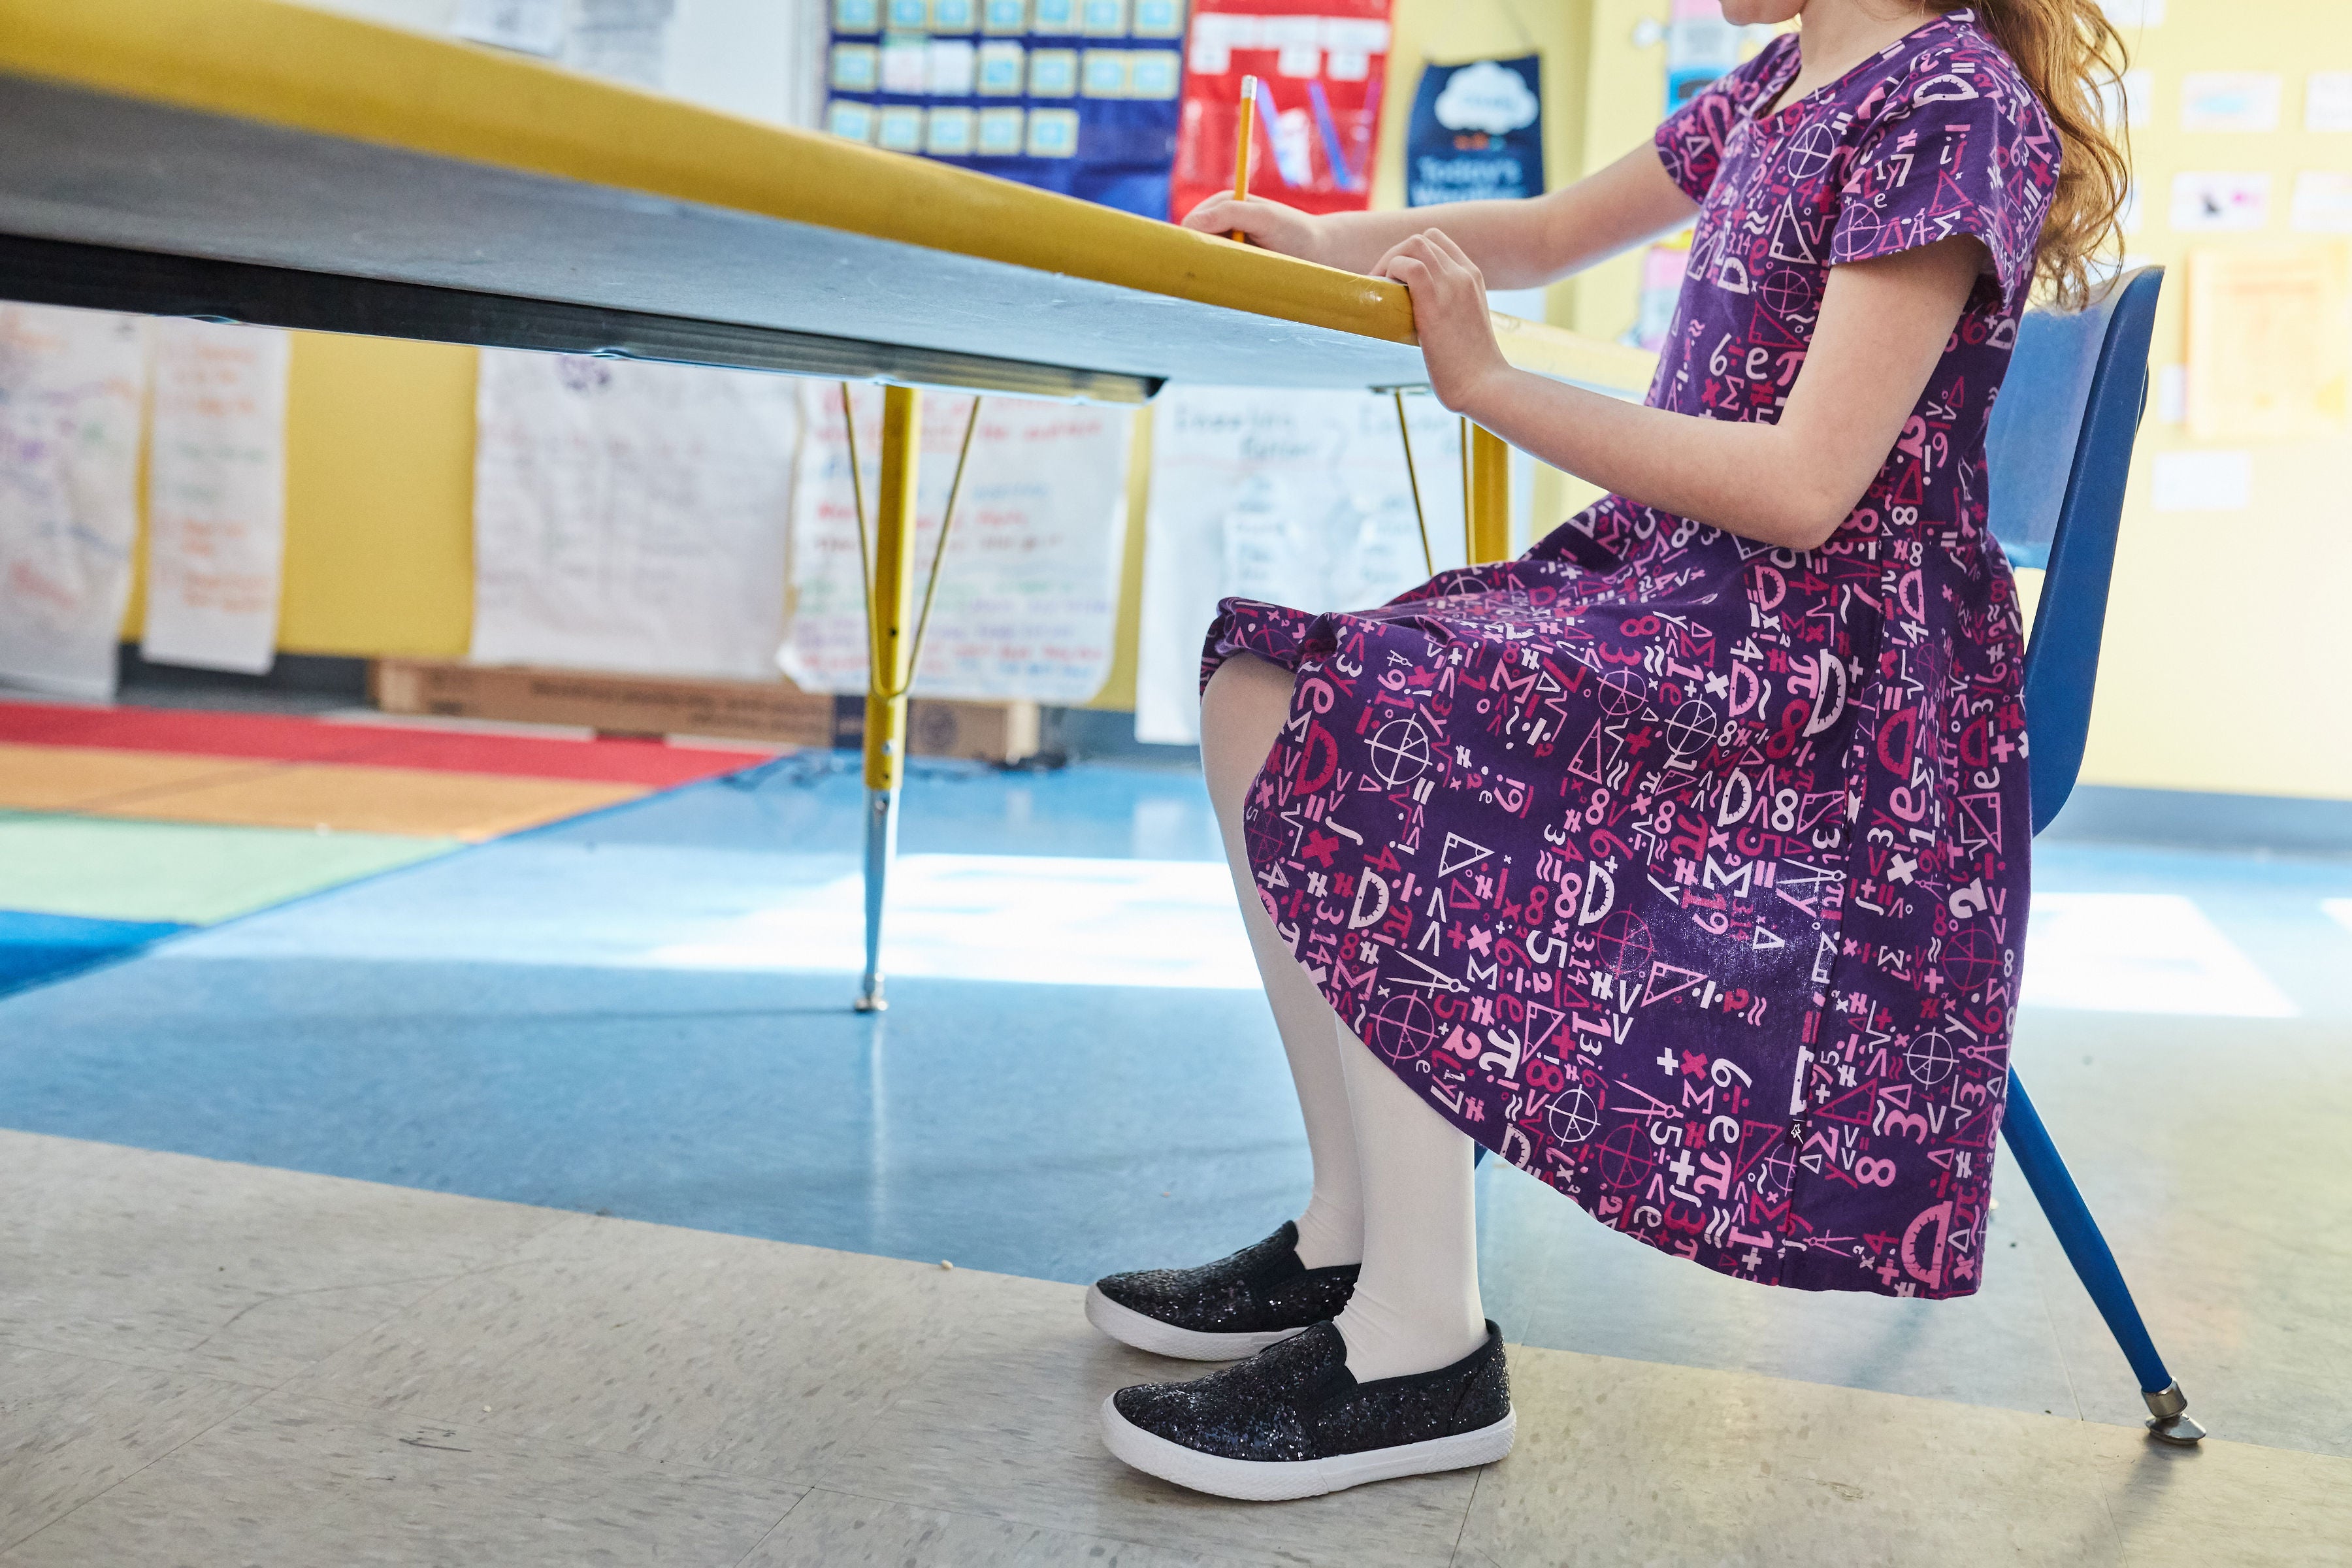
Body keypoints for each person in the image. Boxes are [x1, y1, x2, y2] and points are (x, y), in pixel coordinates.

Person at [1089, 0, 2130, 1502]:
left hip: (1830, 686)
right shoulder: (1785, 77)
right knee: (1262, 681)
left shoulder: (1949, 105)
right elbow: (1542, 228)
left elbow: (1803, 488)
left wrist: (1496, 386)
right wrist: (1325, 240)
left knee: (1383, 715)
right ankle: (1353, 1237)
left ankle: (1422, 1351)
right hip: (1701, 602)